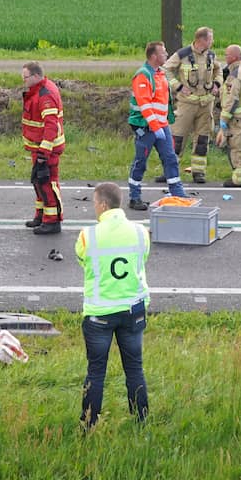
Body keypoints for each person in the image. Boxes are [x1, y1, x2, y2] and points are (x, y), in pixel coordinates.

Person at [76, 181, 150, 429]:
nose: (94, 208)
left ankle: (89, 424)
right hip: (132, 310)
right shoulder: (140, 232)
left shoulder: (88, 236)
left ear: (104, 205)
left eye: (95, 203)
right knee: (135, 368)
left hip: (100, 314)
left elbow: (83, 261)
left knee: (96, 372)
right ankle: (141, 420)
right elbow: (142, 258)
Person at [128, 41, 188, 210]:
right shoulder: (143, 76)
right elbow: (145, 104)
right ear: (154, 56)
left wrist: (164, 124)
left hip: (161, 126)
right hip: (146, 127)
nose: (167, 54)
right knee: (140, 162)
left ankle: (177, 194)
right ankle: (134, 197)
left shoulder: (160, 74)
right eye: (163, 52)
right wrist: (155, 127)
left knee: (170, 159)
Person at [162, 26, 222, 184]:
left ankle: (198, 172)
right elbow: (165, 70)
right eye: (210, 38)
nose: (212, 41)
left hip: (206, 104)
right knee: (177, 138)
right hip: (187, 104)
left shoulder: (211, 55)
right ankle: (169, 172)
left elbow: (219, 71)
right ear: (202, 40)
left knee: (202, 139)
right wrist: (178, 86)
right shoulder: (182, 54)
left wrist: (217, 84)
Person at [20, 61, 67, 235]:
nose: (23, 81)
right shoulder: (37, 91)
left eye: (25, 77)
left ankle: (52, 221)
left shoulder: (45, 95)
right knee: (38, 182)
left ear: (35, 76)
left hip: (47, 150)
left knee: (47, 183)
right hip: (38, 147)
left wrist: (44, 152)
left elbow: (51, 126)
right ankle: (41, 216)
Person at [215, 44, 241, 187]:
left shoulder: (235, 74)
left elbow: (231, 99)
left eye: (227, 55)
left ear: (234, 57)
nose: (225, 57)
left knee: (238, 148)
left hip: (239, 118)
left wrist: (223, 119)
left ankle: (240, 179)